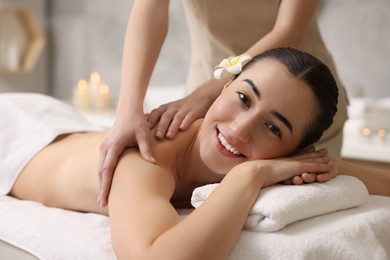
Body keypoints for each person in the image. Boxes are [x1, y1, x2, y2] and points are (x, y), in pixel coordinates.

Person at [4, 48, 349, 259]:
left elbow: (354, 172)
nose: (240, 130)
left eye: (273, 128)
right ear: (226, 86)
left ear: (295, 152)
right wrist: (250, 175)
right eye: (244, 98)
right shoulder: (144, 159)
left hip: (60, 125)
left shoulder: (283, 158)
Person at [98, 0, 349, 207]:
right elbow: (150, 7)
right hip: (214, 99)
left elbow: (289, 29)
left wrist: (207, 95)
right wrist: (129, 109)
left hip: (299, 109)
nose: (241, 129)